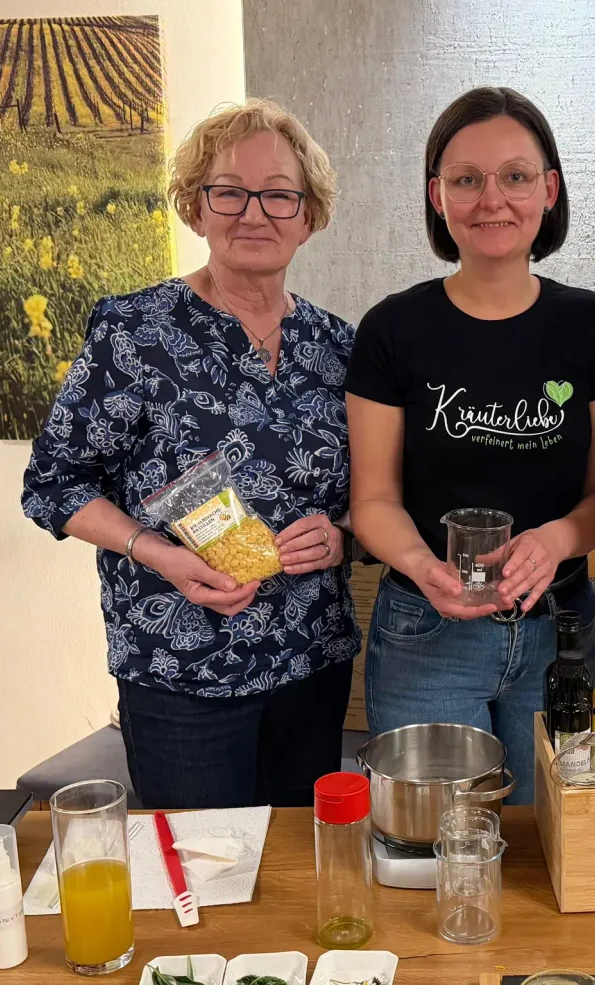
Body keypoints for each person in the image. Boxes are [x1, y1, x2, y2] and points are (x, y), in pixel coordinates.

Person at [21, 99, 359, 809]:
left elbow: (369, 494)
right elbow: (54, 483)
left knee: (302, 877)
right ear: (196, 208)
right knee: (203, 884)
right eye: (229, 191)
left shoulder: (339, 348)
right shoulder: (133, 331)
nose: (254, 213)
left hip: (310, 665)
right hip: (178, 672)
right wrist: (157, 550)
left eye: (278, 194)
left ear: (308, 215)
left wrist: (341, 535)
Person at [346, 87, 595, 804]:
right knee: (431, 852)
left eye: (515, 176)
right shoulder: (392, 329)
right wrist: (419, 562)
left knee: (551, 852)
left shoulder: (592, 327)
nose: (491, 199)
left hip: (560, 629)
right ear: (437, 195)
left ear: (549, 190)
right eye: (466, 179)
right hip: (425, 631)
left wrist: (559, 537)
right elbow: (373, 501)